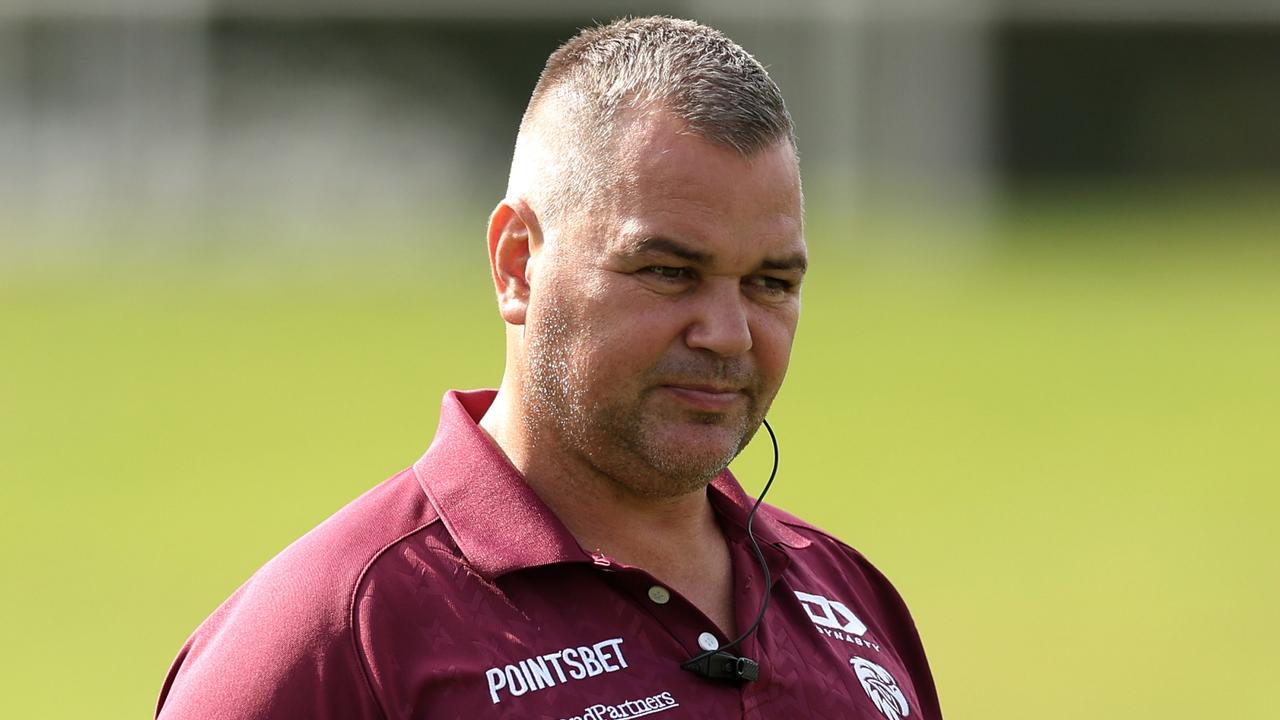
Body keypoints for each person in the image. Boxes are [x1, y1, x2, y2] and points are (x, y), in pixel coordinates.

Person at [156, 16, 941, 720]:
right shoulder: (334, 636)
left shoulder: (849, 598)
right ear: (517, 265)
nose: (728, 334)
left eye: (770, 283)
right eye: (669, 271)